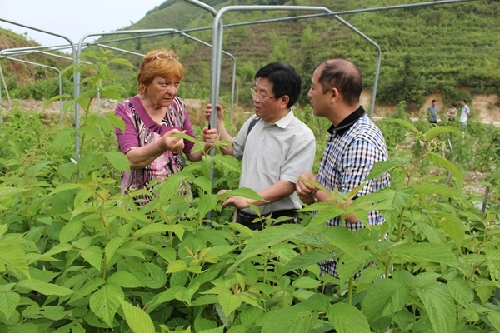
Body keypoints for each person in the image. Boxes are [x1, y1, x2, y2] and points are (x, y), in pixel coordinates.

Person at [296, 58, 390, 278]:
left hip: (355, 273)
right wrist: (311, 183)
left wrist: (313, 187)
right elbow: (337, 186)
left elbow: (353, 211)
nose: (309, 94)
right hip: (334, 260)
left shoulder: (360, 142)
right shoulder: (342, 132)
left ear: (333, 95)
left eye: (313, 87)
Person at [204, 62, 316, 230]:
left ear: (284, 100)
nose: (255, 98)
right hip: (243, 219)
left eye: (262, 94)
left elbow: (288, 184)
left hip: (277, 223)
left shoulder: (300, 136)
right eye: (255, 90)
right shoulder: (254, 122)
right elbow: (233, 151)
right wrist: (219, 122)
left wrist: (248, 199)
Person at [114, 49, 216, 206]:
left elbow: (192, 154)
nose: (172, 91)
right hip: (139, 206)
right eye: (164, 84)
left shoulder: (178, 106)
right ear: (145, 82)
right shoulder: (126, 110)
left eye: (176, 84)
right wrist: (161, 145)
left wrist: (205, 144)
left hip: (177, 203)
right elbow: (129, 160)